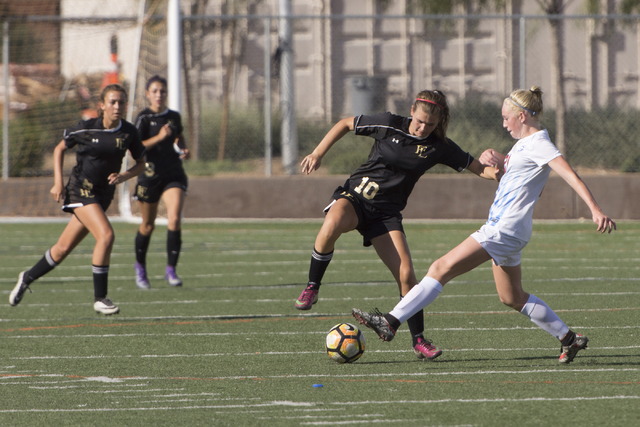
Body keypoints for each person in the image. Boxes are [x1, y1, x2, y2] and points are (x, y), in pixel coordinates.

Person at [352, 86, 616, 364]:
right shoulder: (525, 144)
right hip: (512, 230)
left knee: (440, 268)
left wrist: (595, 209)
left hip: (504, 228)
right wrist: (499, 158)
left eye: (506, 118)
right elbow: (519, 177)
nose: (503, 124)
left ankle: (390, 322)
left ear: (523, 116)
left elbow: (568, 173)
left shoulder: (540, 143)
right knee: (512, 296)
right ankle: (569, 339)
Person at [294, 90, 500, 360]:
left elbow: (477, 168)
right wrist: (318, 153)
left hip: (386, 215)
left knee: (406, 274)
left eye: (430, 124)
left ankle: (419, 341)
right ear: (412, 110)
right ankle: (312, 286)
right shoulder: (388, 122)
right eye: (420, 121)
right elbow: (345, 123)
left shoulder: (439, 146)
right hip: (356, 197)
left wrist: (500, 172)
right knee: (332, 223)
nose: (423, 127)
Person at [9, 84, 146, 315]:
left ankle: (27, 277)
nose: (117, 106)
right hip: (80, 190)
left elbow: (142, 164)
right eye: (112, 102)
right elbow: (58, 149)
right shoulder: (86, 128)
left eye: (121, 102)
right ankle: (100, 298)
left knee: (62, 250)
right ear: (101, 106)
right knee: (106, 235)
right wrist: (57, 182)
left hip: (102, 196)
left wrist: (124, 175)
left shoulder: (129, 132)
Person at [133, 75, 189, 289]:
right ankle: (140, 268)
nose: (159, 95)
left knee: (174, 219)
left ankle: (171, 270)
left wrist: (183, 149)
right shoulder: (143, 118)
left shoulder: (174, 117)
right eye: (154, 91)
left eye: (162, 91)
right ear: (148, 94)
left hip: (173, 174)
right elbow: (136, 148)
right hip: (148, 177)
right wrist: (159, 137)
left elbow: (179, 137)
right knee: (148, 225)